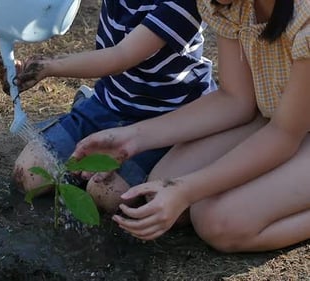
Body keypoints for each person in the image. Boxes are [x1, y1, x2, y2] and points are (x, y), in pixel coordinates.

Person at [71, 0, 310, 252]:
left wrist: (186, 191)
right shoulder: (229, 4)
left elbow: (284, 135)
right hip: (278, 119)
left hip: (289, 129)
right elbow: (235, 100)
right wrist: (132, 137)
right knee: (163, 185)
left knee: (219, 223)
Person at [0, 0, 217, 213]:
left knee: (106, 195)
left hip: (164, 120)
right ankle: (86, 122)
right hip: (109, 103)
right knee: (27, 176)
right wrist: (26, 66)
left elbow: (121, 55)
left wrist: (46, 67)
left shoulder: (186, 3)